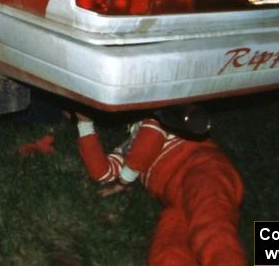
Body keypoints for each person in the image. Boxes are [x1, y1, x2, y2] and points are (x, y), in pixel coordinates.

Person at [73, 112, 245, 266]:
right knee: (167, 251)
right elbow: (102, 173)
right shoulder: (128, 147)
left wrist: (124, 180)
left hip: (203, 171)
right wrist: (85, 123)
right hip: (176, 201)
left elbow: (152, 135)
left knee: (212, 232)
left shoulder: (162, 114)